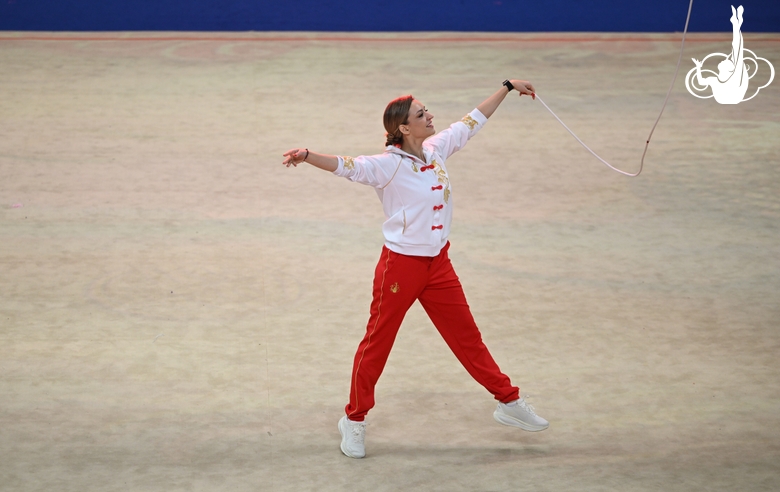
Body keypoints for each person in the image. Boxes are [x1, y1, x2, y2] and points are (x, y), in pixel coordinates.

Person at [282, 79, 549, 459]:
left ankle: (509, 401)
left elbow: (471, 122)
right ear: (404, 128)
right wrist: (308, 155)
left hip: (439, 265)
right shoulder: (386, 166)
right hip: (400, 269)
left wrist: (506, 87)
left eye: (426, 111)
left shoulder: (436, 149)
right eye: (422, 114)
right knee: (378, 343)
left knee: (467, 338)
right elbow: (345, 166)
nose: (430, 116)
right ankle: (354, 419)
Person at [692, 5, 748, 104]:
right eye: (728, 60)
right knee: (737, 52)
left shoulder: (723, 79)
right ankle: (736, 24)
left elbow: (701, 82)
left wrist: (698, 67)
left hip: (731, 97)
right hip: (730, 97)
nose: (725, 59)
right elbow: (701, 82)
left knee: (737, 51)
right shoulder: (721, 79)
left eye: (727, 61)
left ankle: (736, 24)